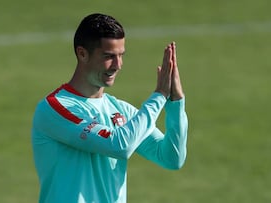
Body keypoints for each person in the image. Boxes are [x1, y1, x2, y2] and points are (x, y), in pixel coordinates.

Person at [31, 13, 188, 203]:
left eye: (121, 55)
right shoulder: (54, 108)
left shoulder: (120, 110)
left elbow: (171, 158)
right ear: (82, 53)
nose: (118, 65)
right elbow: (119, 145)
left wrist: (175, 102)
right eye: (109, 56)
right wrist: (159, 96)